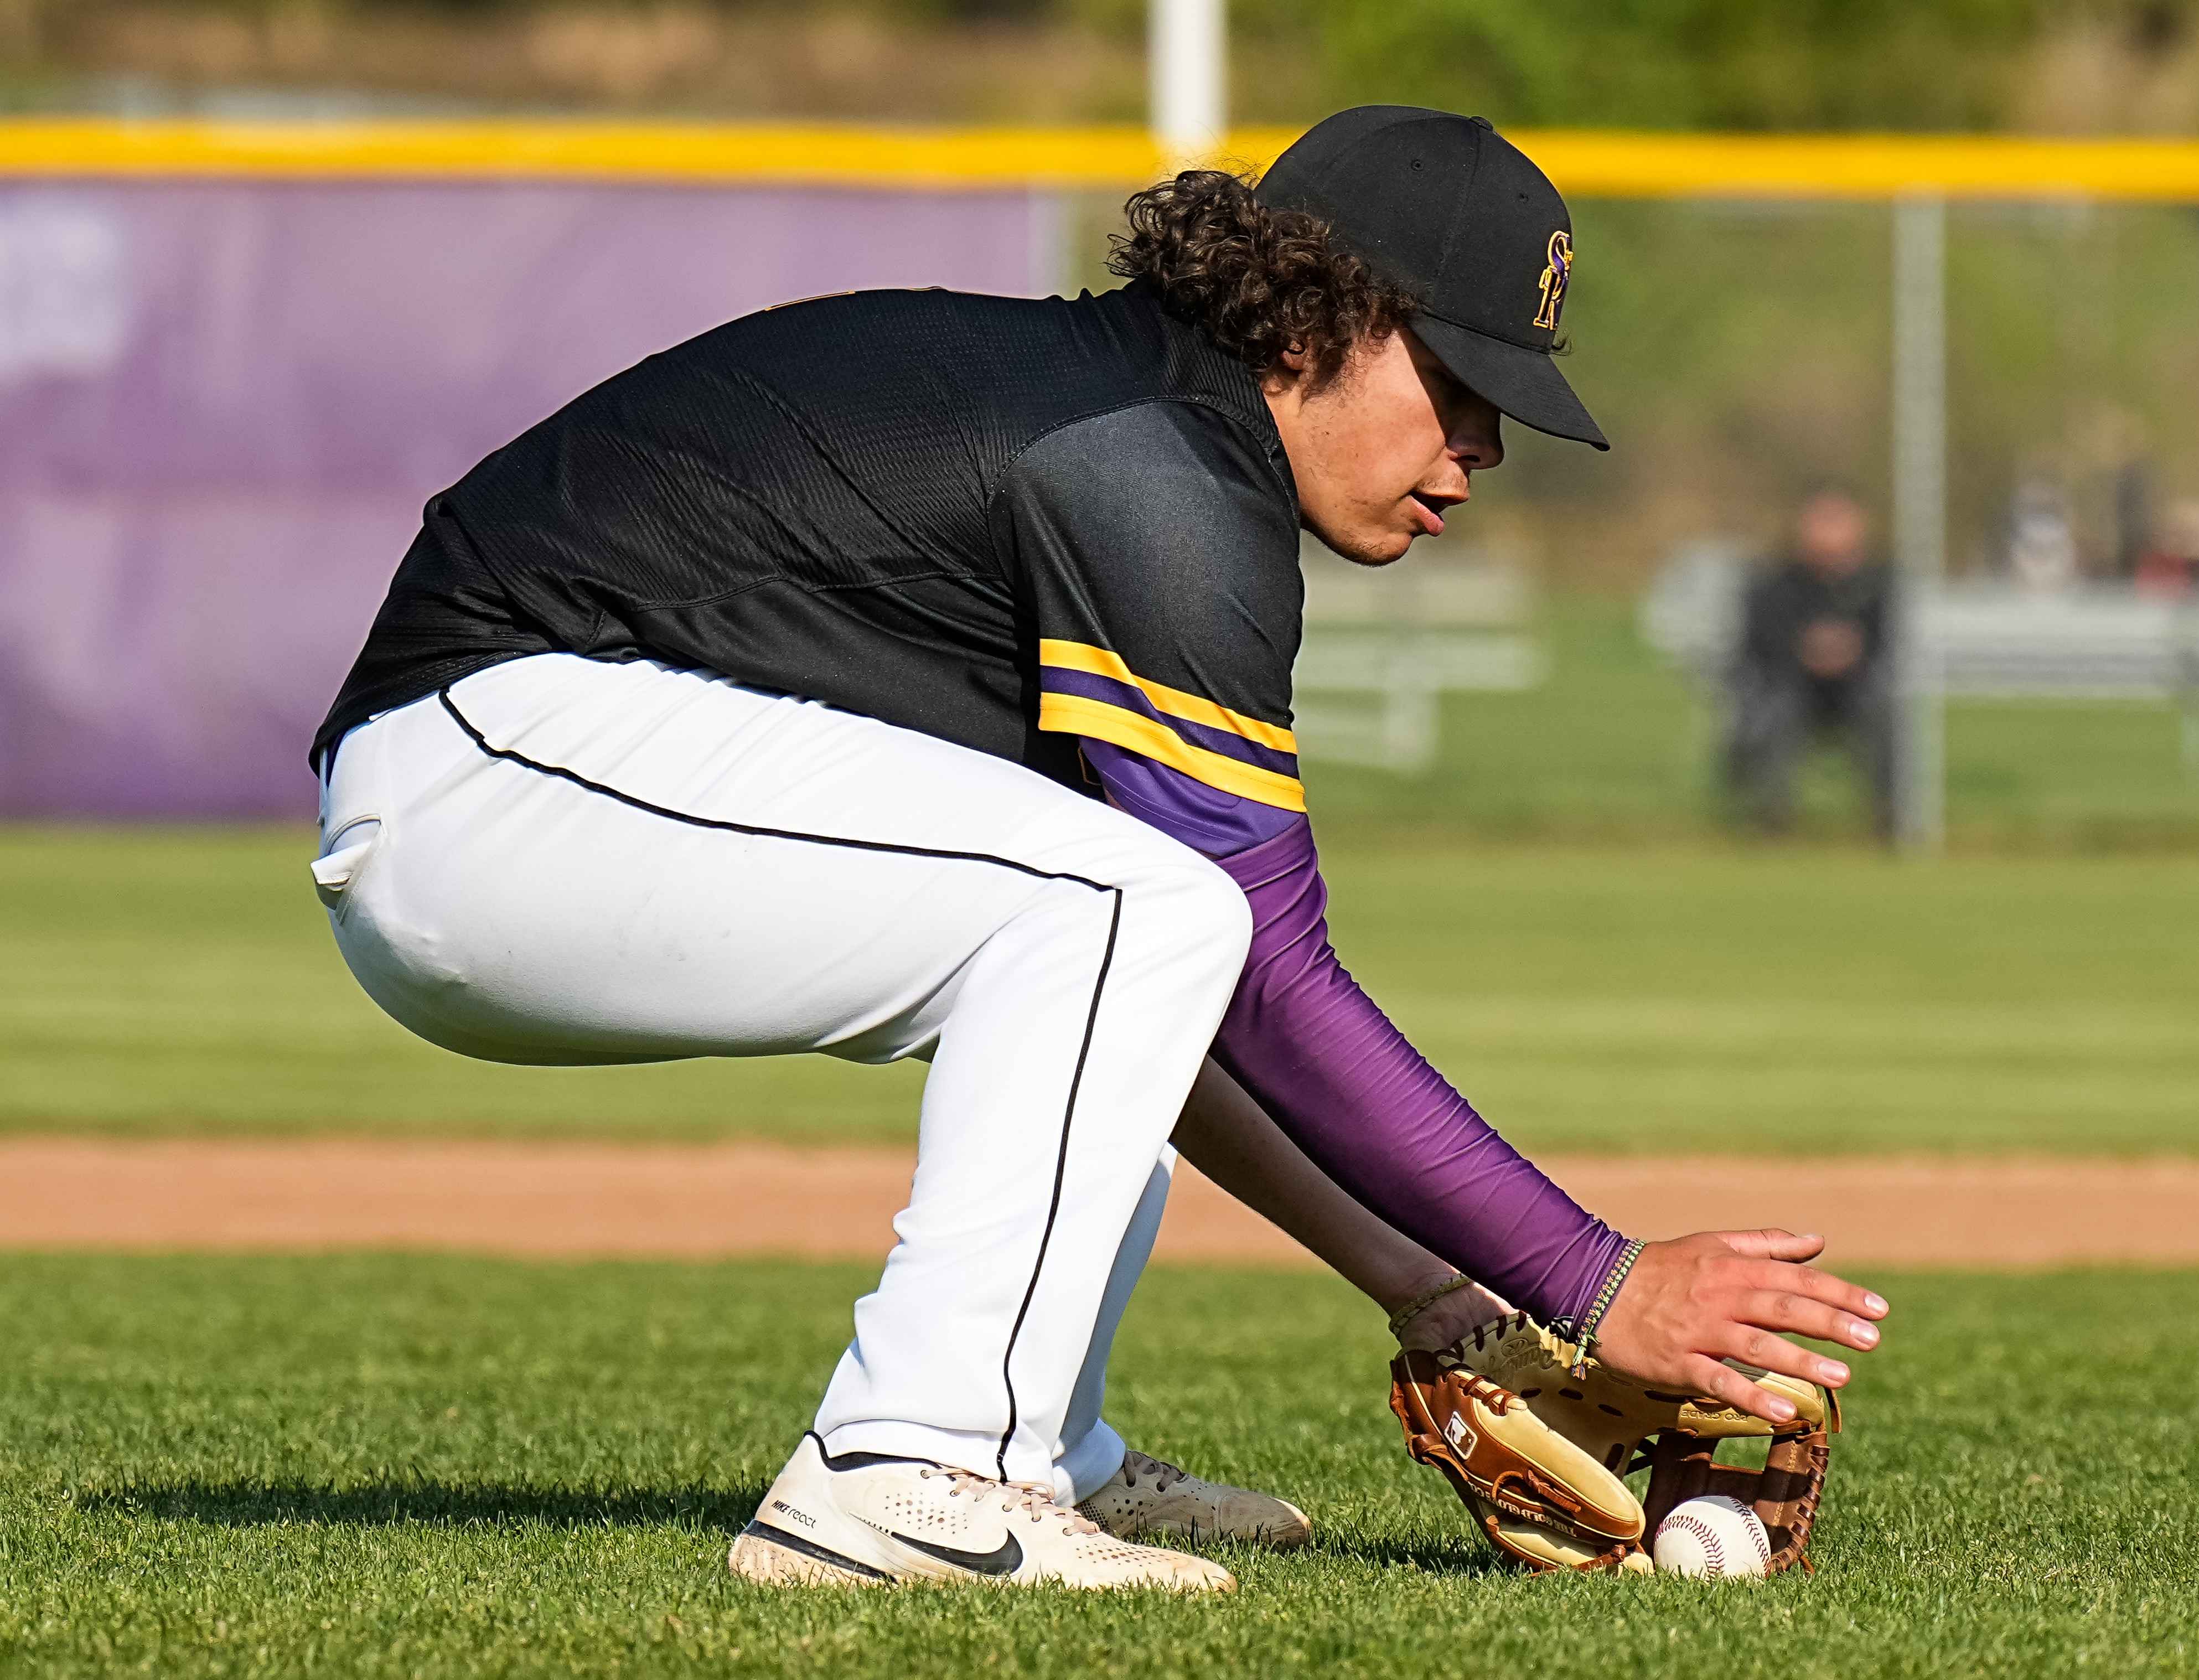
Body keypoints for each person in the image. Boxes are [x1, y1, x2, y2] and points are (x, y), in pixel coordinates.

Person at [307, 106, 1888, 1595]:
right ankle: (909, 1463)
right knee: (1136, 903)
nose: (1481, 444)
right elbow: (1263, 971)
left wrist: (1449, 1305)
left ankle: (1031, 1445)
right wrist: (1597, 1280)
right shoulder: (1152, 470)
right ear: (1307, 322)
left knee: (1118, 929)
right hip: (489, 772)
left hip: (540, 779)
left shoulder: (1151, 439)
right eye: (1458, 384)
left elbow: (1183, 1005)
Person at [1726, 488, 1897, 835]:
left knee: (1885, 711)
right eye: (1822, 522)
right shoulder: (1776, 582)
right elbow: (1757, 644)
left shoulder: (1878, 583)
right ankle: (1773, 815)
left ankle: (1891, 815)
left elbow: (1890, 642)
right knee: (1774, 710)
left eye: (1840, 522)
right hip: (1794, 688)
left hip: (1855, 690)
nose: (1830, 534)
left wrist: (1851, 653)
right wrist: (1804, 653)